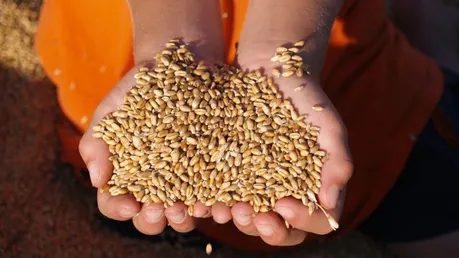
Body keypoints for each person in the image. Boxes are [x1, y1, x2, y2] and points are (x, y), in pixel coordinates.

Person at [35, 0, 459, 257]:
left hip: (349, 82)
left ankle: (425, 26)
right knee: (132, 205)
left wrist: (281, 49)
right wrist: (171, 44)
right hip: (119, 43)